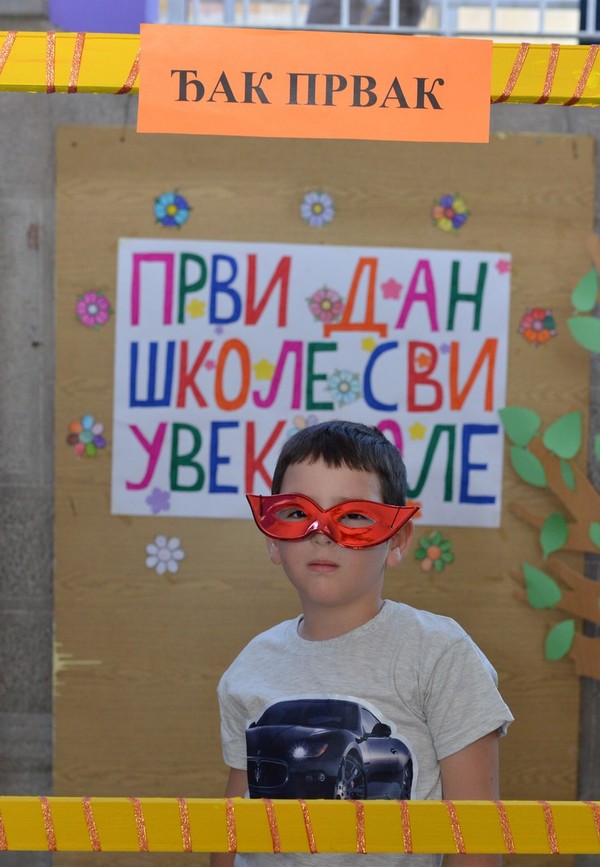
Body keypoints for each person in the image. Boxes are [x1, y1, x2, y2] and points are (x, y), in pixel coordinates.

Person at [212, 420, 513, 867]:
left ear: (396, 540)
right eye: (298, 513)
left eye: (353, 516)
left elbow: (477, 840)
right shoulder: (252, 663)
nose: (321, 533)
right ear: (273, 539)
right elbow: (234, 822)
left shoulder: (440, 654)